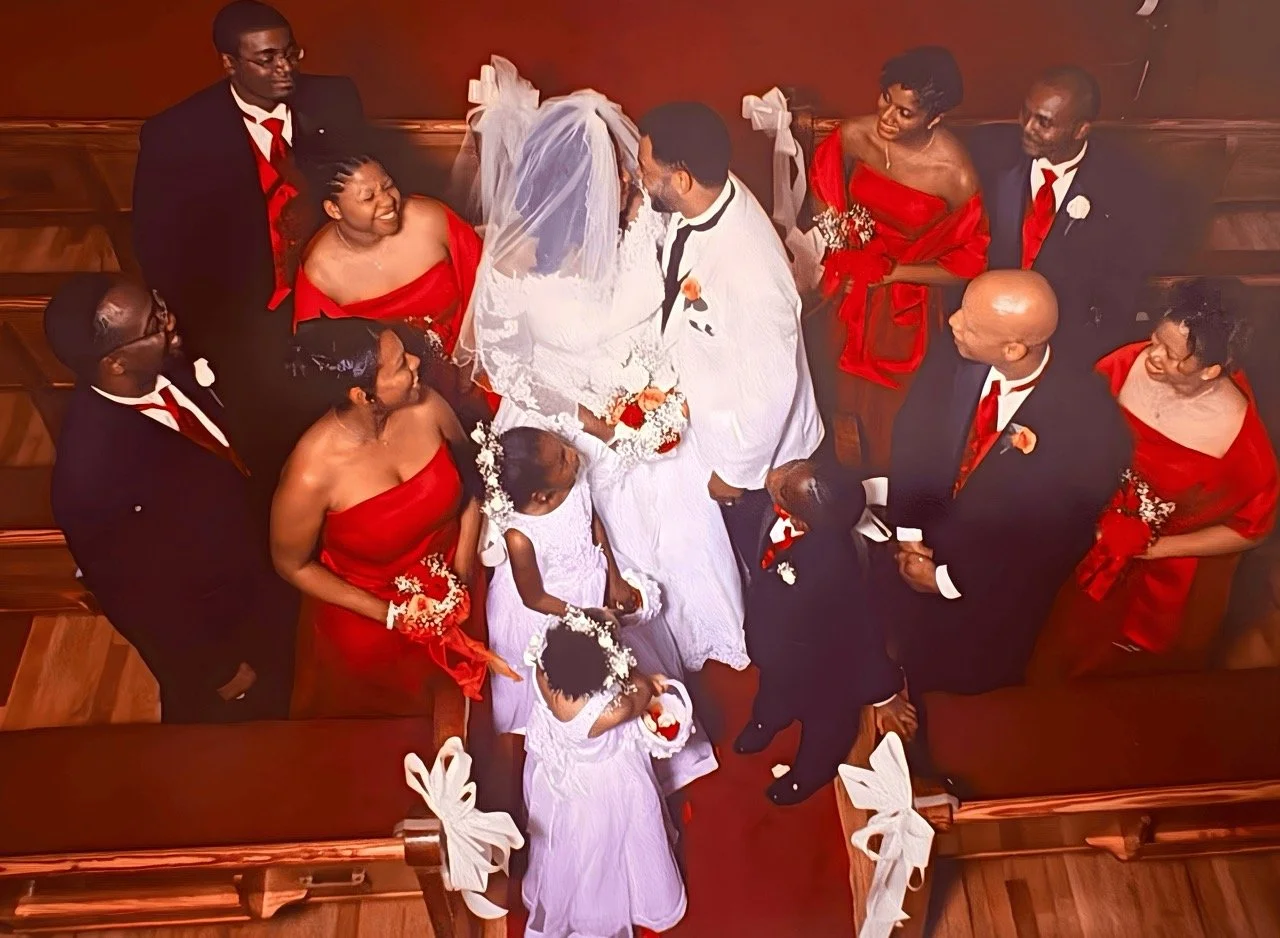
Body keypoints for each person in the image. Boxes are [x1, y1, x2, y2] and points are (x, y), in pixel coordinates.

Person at [461, 89, 748, 672]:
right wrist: (588, 421)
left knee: (677, 511)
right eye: (610, 174)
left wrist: (658, 395)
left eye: (623, 169)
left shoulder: (644, 220)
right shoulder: (514, 262)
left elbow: (682, 300)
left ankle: (690, 632)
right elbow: (508, 364)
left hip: (648, 391)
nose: (624, 179)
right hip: (561, 411)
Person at [132, 0, 367, 503]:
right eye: (266, 59)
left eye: (291, 53)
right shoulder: (176, 134)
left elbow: (365, 191)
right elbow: (159, 245)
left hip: (333, 299)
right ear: (229, 64)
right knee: (268, 455)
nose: (285, 68)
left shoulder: (335, 101)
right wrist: (200, 342)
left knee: (352, 440)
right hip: (238, 322)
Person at [45, 274, 295, 723]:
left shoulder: (171, 361)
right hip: (228, 631)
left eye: (158, 303)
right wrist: (217, 671)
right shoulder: (90, 477)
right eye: (154, 323)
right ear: (115, 364)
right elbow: (138, 599)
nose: (170, 318)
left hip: (269, 578)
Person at [881, 269, 1130, 698]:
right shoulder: (958, 350)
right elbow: (914, 437)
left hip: (987, 596)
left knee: (967, 681)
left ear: (1014, 348)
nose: (954, 322)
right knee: (911, 642)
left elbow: (1049, 545)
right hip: (922, 547)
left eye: (970, 323)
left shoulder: (1089, 427)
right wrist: (909, 536)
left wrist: (945, 580)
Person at [1028, 279, 1278, 680]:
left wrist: (1153, 547)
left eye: (1172, 354)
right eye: (1156, 338)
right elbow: (1074, 434)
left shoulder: (1242, 445)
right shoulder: (1123, 364)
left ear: (1211, 369)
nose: (1153, 355)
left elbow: (1253, 530)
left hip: (1161, 577)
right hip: (1085, 545)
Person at [270, 317, 515, 718]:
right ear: (363, 395)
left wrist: (463, 564)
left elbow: (470, 475)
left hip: (457, 584)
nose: (417, 362)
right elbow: (291, 565)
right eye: (401, 364)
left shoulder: (427, 404)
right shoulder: (310, 475)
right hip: (369, 621)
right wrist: (391, 616)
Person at [638, 101, 825, 578]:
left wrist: (733, 475)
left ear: (680, 180)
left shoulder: (750, 271)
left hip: (762, 465)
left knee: (757, 561)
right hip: (712, 414)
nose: (640, 176)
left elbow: (770, 390)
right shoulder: (707, 198)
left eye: (645, 169)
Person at [477, 424, 717, 793]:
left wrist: (614, 575)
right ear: (540, 495)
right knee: (590, 678)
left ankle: (652, 745)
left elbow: (592, 522)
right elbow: (533, 597)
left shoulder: (572, 479)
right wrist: (585, 619)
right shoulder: (520, 537)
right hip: (556, 608)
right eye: (561, 458)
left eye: (562, 446)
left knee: (633, 657)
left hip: (593, 577)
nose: (572, 454)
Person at [808, 47, 989, 471]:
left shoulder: (955, 173)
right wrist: (844, 240)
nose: (887, 117)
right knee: (832, 385)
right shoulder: (854, 134)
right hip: (847, 289)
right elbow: (824, 195)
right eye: (885, 100)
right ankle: (835, 485)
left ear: (934, 118)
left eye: (905, 113)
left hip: (905, 307)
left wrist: (892, 273)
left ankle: (887, 496)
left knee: (892, 412)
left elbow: (970, 262)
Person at [735, 459, 909, 805]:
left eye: (783, 486)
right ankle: (766, 721)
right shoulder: (800, 514)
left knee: (826, 728)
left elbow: (865, 636)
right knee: (772, 694)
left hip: (826, 672)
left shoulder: (841, 574)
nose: (777, 475)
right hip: (781, 662)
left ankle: (809, 774)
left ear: (798, 519)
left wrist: (884, 694)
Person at [970, 65, 1165, 369]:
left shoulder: (1124, 190)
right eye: (1026, 113)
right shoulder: (990, 154)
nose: (1027, 127)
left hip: (1065, 344)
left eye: (1044, 122)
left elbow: (1120, 290)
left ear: (1080, 129)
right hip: (988, 329)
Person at [292, 150, 493, 425]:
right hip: (397, 392)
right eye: (368, 197)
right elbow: (329, 363)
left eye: (388, 186)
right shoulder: (320, 272)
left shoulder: (430, 220)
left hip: (476, 358)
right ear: (334, 209)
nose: (387, 201)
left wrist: (472, 358)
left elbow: (488, 287)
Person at [522, 608, 687, 937]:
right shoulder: (610, 711)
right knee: (619, 837)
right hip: (605, 783)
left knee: (566, 842)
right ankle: (615, 906)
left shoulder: (544, 665)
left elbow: (596, 618)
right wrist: (637, 674)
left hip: (558, 772)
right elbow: (640, 691)